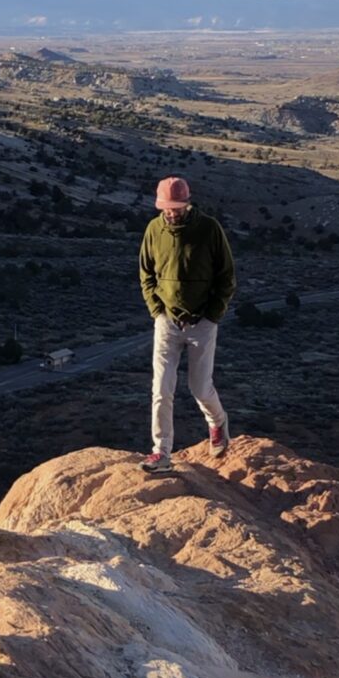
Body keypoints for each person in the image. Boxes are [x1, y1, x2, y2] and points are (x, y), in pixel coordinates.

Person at [138, 176, 236, 473]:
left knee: (200, 388)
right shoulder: (154, 230)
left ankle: (217, 423)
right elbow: (146, 273)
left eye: (176, 207)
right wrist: (157, 310)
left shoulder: (209, 229)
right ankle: (161, 452)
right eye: (166, 208)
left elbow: (226, 276)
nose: (171, 212)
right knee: (161, 389)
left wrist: (212, 315)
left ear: (188, 202)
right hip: (167, 321)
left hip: (202, 322)